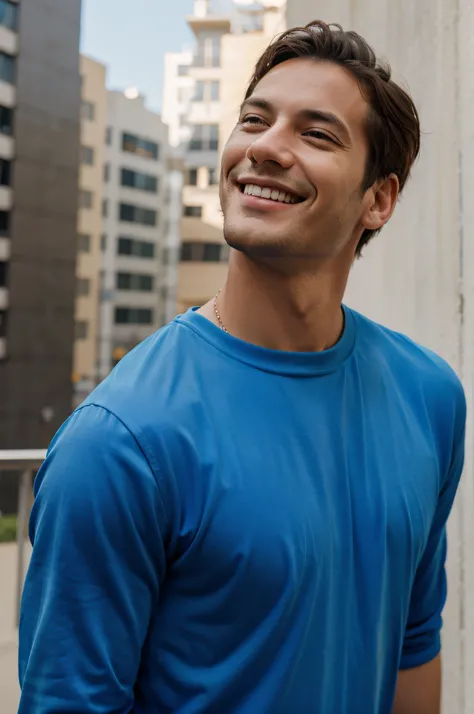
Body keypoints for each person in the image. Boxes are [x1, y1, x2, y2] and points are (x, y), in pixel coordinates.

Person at [18, 21, 465, 714]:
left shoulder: (430, 396)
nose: (264, 147)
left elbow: (411, 642)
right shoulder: (118, 443)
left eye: (316, 134)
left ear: (379, 199)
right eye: (255, 120)